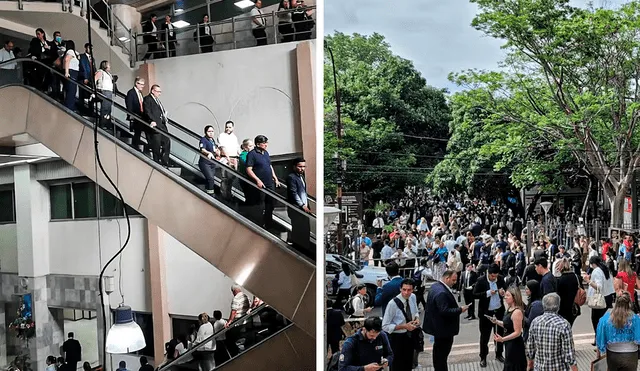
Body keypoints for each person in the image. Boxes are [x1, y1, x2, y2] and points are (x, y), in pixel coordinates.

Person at [423, 269, 468, 371]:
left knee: (438, 355)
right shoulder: (442, 292)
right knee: (441, 357)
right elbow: (445, 311)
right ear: (447, 278)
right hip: (444, 330)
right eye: (453, 280)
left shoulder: (435, 286)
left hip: (437, 328)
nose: (455, 282)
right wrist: (460, 309)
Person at [526, 293, 578, 371]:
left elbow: (530, 347)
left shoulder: (535, 322)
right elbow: (569, 352)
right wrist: (575, 369)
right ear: (558, 306)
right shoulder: (563, 324)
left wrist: (530, 363)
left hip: (539, 367)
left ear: (543, 306)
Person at [596, 292, 640, 371]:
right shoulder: (635, 319)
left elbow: (600, 336)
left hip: (613, 354)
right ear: (629, 304)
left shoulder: (606, 319)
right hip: (630, 354)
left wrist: (599, 352)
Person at [381, 278, 419, 371]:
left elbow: (416, 311)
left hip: (410, 336)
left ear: (413, 290)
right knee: (397, 365)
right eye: (404, 289)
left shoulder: (413, 297)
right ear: (400, 289)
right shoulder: (392, 304)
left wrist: (417, 319)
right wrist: (404, 326)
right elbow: (385, 326)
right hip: (397, 338)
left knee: (409, 363)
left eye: (409, 290)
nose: (406, 292)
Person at [473, 263, 507, 367]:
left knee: (499, 334)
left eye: (495, 276)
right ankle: (483, 357)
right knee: (484, 337)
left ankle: (499, 354)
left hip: (499, 311)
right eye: (492, 276)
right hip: (486, 313)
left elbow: (506, 290)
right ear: (488, 273)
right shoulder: (481, 280)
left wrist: (503, 292)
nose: (494, 278)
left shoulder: (501, 279)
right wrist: (487, 293)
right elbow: (474, 294)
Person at [246, 135, 280, 229]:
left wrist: (275, 178)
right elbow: (249, 169)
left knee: (271, 203)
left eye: (266, 143)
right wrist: (257, 180)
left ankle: (269, 223)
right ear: (258, 144)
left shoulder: (266, 153)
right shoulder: (252, 154)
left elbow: (270, 165)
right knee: (260, 204)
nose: (266, 145)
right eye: (264, 143)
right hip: (260, 183)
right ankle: (259, 224)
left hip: (269, 182)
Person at [490, 286, 526, 371]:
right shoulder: (509, 309)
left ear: (514, 297)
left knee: (513, 365)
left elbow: (517, 332)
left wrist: (502, 339)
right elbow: (508, 325)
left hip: (515, 344)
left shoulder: (517, 312)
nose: (505, 297)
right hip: (509, 342)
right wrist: (497, 322)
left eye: (507, 295)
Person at [583, 255, 615, 339]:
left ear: (592, 263)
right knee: (601, 319)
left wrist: (588, 281)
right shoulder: (605, 269)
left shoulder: (596, 271)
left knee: (596, 320)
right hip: (608, 296)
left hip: (600, 298)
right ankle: (600, 337)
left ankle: (599, 339)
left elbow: (599, 287)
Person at [286, 157, 311, 253]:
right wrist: (302, 205)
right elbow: (293, 193)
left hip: (303, 208)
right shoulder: (291, 177)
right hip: (296, 209)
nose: (302, 169)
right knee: (299, 230)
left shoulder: (301, 177)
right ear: (294, 166)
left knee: (305, 230)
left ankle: (304, 249)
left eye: (304, 166)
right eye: (300, 166)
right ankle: (299, 250)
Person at [143, 84, 171, 166]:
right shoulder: (147, 99)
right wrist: (151, 120)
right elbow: (147, 111)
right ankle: (157, 160)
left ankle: (164, 160)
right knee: (156, 144)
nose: (160, 93)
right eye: (158, 91)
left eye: (160, 92)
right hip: (155, 125)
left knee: (167, 141)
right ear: (153, 91)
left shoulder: (157, 100)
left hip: (162, 124)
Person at [125, 77, 147, 152]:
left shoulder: (140, 93)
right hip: (135, 115)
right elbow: (129, 105)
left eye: (143, 85)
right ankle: (135, 146)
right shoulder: (131, 92)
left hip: (141, 116)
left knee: (139, 132)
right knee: (137, 132)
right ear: (136, 83)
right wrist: (131, 115)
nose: (142, 86)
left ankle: (136, 145)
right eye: (141, 84)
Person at [556, 258, 580, 326]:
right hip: (574, 305)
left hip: (563, 307)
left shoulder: (560, 280)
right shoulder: (576, 277)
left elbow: (558, 293)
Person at [198, 125, 221, 195]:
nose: (211, 133)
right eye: (209, 131)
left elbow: (214, 149)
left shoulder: (212, 140)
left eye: (212, 131)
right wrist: (208, 153)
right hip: (205, 163)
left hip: (212, 163)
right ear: (205, 132)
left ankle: (208, 192)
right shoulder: (203, 140)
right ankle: (210, 195)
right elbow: (202, 149)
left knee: (210, 179)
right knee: (210, 178)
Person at [94, 60, 114, 131]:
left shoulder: (108, 74)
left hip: (109, 91)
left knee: (108, 109)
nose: (109, 66)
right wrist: (95, 89)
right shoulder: (100, 72)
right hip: (103, 90)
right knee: (105, 108)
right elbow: (95, 79)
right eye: (108, 65)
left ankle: (107, 123)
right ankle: (102, 124)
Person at [62, 40, 80, 111]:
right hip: (72, 72)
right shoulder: (70, 51)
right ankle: (70, 107)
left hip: (72, 72)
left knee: (70, 90)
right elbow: (67, 60)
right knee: (72, 90)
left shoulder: (69, 52)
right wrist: (67, 72)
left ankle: (69, 106)